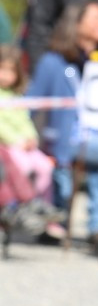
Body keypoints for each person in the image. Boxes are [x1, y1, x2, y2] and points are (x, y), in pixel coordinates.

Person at [26, 1, 98, 252]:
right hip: (68, 138)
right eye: (97, 18)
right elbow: (32, 101)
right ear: (76, 23)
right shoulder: (53, 61)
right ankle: (97, 226)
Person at [0, 44, 55, 203]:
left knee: (45, 167)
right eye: (2, 69)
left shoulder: (17, 97)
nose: (5, 75)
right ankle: (21, 207)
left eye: (11, 70)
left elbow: (25, 121)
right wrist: (17, 142)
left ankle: (42, 206)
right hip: (8, 146)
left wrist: (32, 138)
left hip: (25, 145)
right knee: (22, 168)